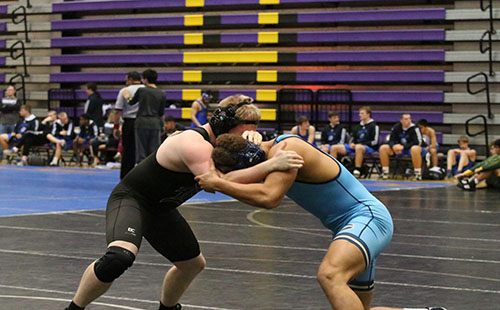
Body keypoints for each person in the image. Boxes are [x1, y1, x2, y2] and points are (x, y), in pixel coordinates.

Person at [63, 94, 304, 310]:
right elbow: (219, 181)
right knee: (119, 258)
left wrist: (255, 146)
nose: (241, 142)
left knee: (191, 265)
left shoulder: (219, 141)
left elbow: (240, 166)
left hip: (161, 208)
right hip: (132, 200)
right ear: (222, 125)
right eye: (240, 135)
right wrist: (270, 164)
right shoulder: (193, 143)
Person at [195, 133, 446, 310]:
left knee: (330, 275)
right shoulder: (266, 152)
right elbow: (245, 174)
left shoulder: (287, 153)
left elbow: (269, 197)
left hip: (367, 219)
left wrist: (219, 184)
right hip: (354, 226)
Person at [122, 69, 166, 164]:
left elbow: (131, 102)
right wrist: (162, 125)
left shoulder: (141, 90)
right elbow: (161, 113)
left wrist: (126, 96)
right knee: (153, 152)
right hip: (155, 123)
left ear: (145, 79)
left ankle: (141, 174)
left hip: (141, 123)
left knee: (141, 151)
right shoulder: (161, 93)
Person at [330, 106, 379, 178]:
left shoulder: (373, 125)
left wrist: (361, 144)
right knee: (334, 148)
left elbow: (375, 141)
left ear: (368, 114)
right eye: (359, 113)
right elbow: (352, 138)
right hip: (356, 146)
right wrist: (351, 143)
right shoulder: (358, 126)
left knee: (359, 147)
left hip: (369, 147)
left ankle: (357, 170)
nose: (359, 115)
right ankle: (333, 170)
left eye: (362, 113)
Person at [113, 71, 144, 178]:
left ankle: (125, 177)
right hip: (143, 122)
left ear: (130, 79)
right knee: (143, 151)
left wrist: (116, 127)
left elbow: (117, 111)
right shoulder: (146, 90)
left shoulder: (125, 90)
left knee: (128, 151)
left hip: (129, 122)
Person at [378, 113, 425, 180]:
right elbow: (391, 140)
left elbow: (418, 142)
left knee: (415, 149)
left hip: (413, 149)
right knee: (383, 148)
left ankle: (417, 174)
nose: (408, 120)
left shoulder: (415, 128)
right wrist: (393, 147)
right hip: (399, 149)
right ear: (401, 120)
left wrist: (403, 147)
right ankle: (385, 173)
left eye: (409, 118)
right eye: (406, 119)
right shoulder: (396, 127)